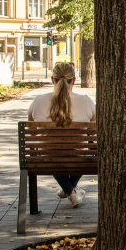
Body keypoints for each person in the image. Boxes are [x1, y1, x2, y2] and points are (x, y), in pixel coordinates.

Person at [27, 62, 96, 207]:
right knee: (88, 154)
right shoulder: (86, 101)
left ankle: (69, 191)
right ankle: (71, 192)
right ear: (74, 80)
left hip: (48, 158)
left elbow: (31, 128)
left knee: (53, 152)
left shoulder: (38, 101)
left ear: (52, 79)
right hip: (78, 158)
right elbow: (93, 131)